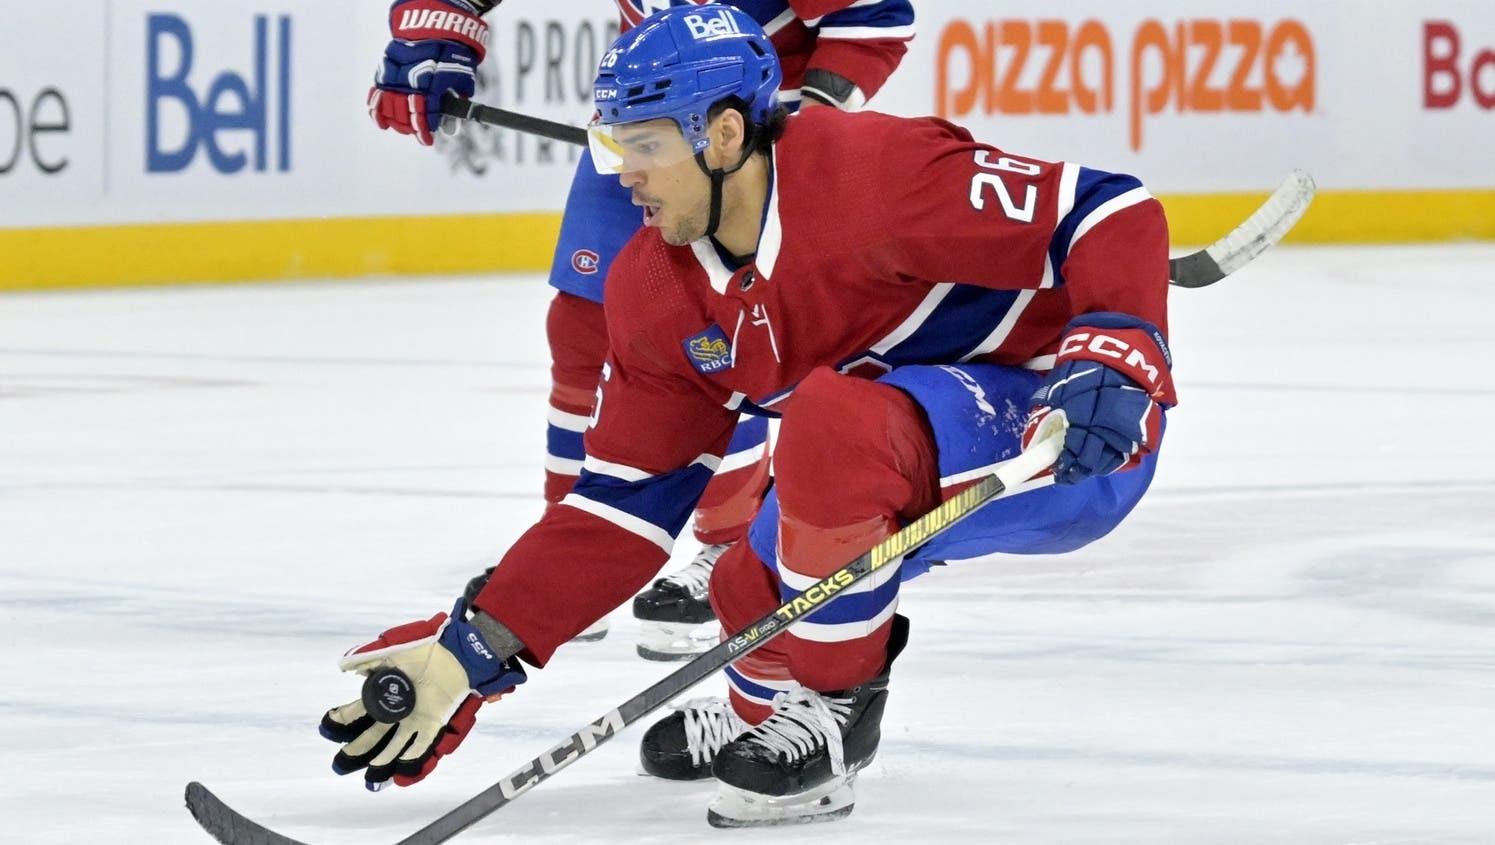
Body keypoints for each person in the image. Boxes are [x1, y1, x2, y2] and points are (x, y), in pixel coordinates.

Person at [324, 4, 1175, 827]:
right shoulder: (653, 291)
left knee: (828, 427)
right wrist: (474, 648)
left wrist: (1114, 347)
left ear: (724, 134)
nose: (624, 173)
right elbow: (619, 508)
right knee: (742, 579)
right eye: (615, 143)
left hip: (1066, 431)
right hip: (890, 441)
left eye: (646, 146)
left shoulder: (872, 172)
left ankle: (834, 715)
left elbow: (1108, 210)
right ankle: (760, 712)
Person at [366, 0, 916, 655]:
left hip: (743, 141)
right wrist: (439, 25)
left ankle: (727, 549)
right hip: (644, 118)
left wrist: (799, 135)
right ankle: (565, 554)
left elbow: (875, 17)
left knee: (725, 337)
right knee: (581, 329)